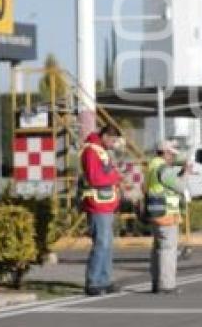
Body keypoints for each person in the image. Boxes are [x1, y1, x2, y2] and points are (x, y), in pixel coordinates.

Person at [80, 125, 122, 296]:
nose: (113, 144)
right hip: (97, 204)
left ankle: (104, 280)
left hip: (106, 204)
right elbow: (95, 178)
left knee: (107, 244)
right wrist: (115, 176)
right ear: (104, 136)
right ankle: (93, 282)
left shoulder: (100, 150)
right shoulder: (91, 151)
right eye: (112, 140)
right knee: (101, 243)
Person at [145, 140, 190, 294]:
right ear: (164, 153)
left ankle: (157, 283)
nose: (172, 157)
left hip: (155, 211)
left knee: (158, 248)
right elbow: (180, 186)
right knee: (168, 249)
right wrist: (186, 173)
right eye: (171, 153)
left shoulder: (152, 165)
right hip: (166, 214)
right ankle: (167, 284)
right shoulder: (164, 168)